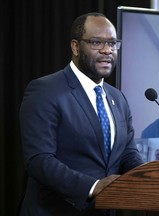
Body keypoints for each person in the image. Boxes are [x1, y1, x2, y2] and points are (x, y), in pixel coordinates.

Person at [18, 12, 144, 216]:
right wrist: (93, 186)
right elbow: (39, 160)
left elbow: (127, 153)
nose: (107, 51)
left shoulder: (118, 98)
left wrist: (150, 178)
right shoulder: (45, 90)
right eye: (96, 42)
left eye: (112, 44)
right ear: (75, 47)